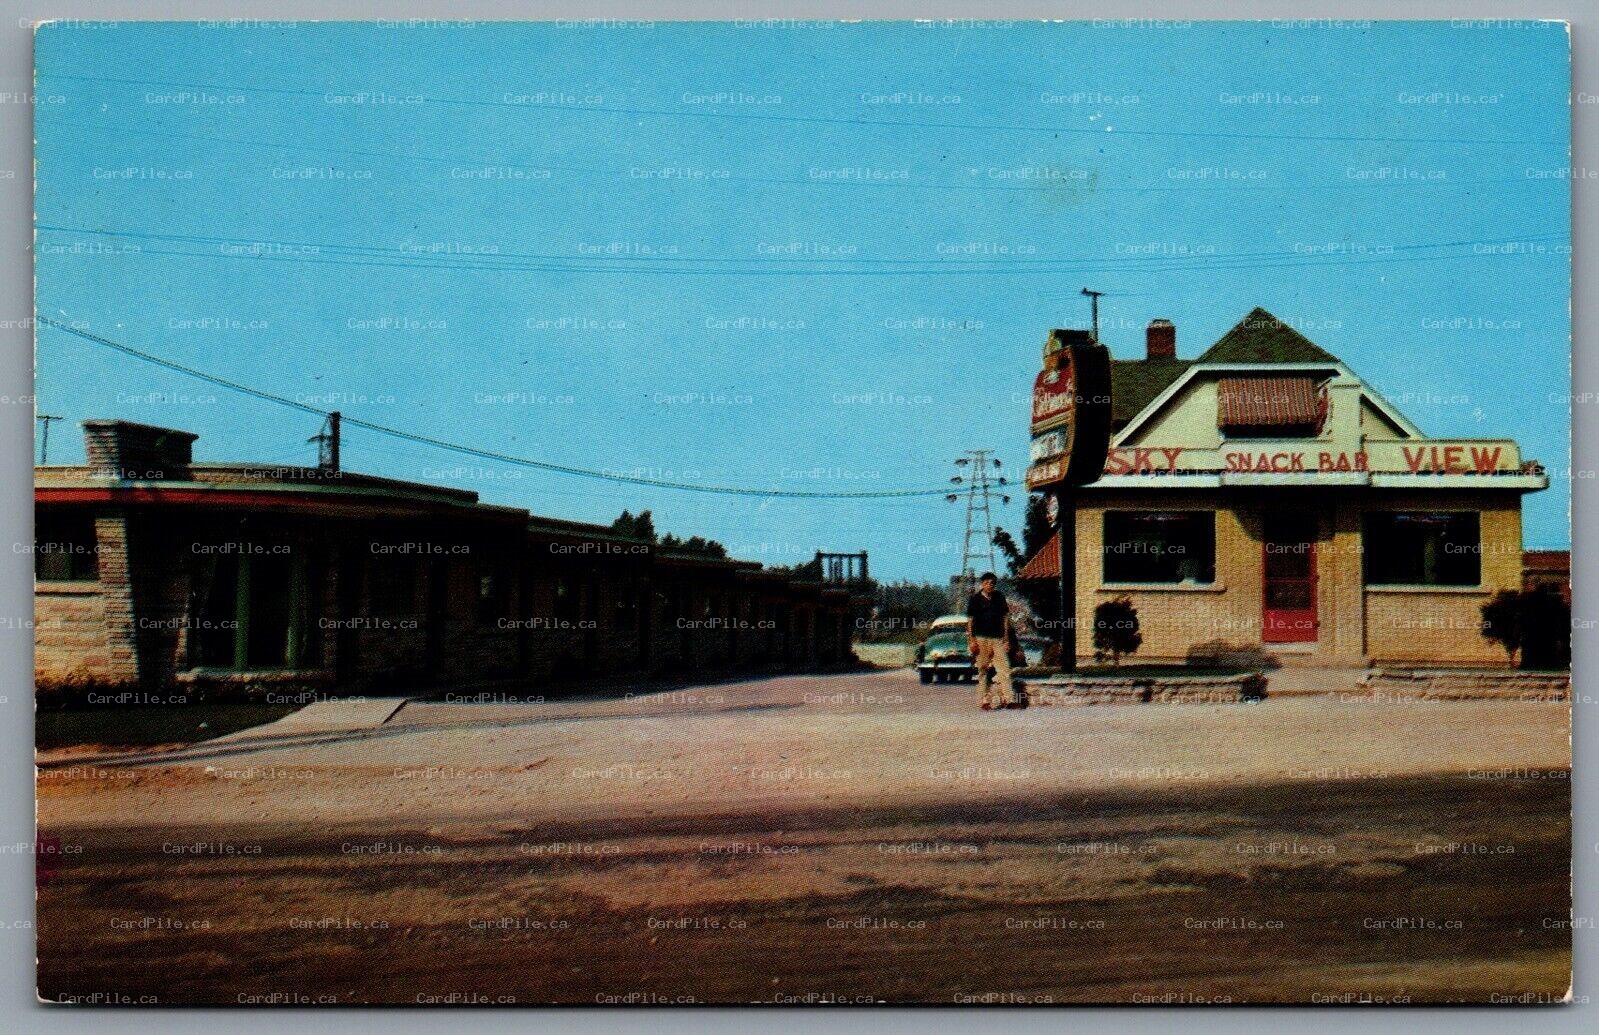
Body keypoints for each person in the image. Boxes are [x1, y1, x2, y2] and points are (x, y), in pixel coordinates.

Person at [966, 572, 1016, 710]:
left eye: (992, 583)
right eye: (987, 583)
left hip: (997, 638)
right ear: (982, 584)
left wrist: (1006, 639)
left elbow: (1005, 618)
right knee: (983, 670)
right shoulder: (975, 599)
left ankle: (1009, 700)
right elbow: (970, 622)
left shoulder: (999, 598)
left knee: (1004, 668)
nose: (990, 585)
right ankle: (984, 701)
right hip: (981, 639)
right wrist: (972, 640)